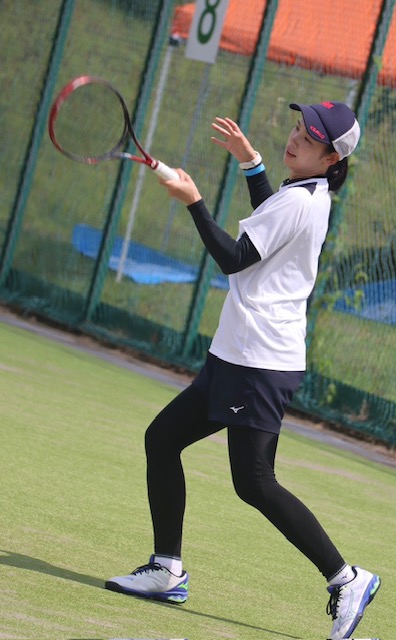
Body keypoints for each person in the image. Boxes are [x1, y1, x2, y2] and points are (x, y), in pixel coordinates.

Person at [105, 101, 381, 640]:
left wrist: (194, 202)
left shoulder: (300, 201)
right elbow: (269, 225)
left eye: (310, 139)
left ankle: (347, 579)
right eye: (297, 127)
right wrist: (253, 165)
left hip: (258, 362)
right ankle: (167, 569)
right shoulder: (307, 194)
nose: (295, 139)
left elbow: (235, 257)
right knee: (163, 439)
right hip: (237, 354)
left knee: (253, 482)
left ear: (332, 158)